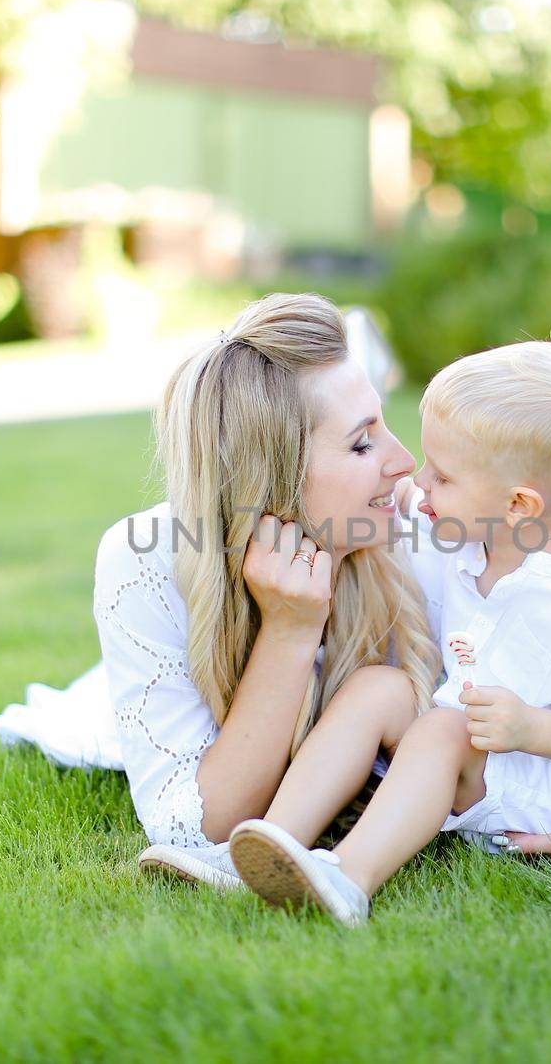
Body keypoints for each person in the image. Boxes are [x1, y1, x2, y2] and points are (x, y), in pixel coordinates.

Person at [225, 341, 551, 925]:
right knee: (379, 688)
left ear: (518, 504)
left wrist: (530, 727)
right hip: (496, 753)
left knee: (446, 731)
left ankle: (349, 878)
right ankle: (260, 846)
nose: (419, 483)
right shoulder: (472, 538)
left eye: (442, 476)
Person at [91, 292, 441, 889]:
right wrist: (290, 628)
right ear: (271, 476)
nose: (404, 461)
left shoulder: (422, 521)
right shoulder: (146, 558)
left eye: (383, 427)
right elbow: (191, 831)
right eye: (362, 444)